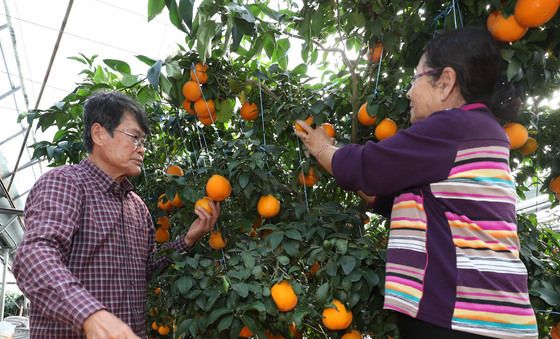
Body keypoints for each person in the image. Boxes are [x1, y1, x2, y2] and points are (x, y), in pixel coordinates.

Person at [295, 27, 538, 339]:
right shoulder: (473, 132)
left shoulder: (454, 127)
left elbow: (365, 167)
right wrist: (343, 165)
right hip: (478, 318)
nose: (409, 92)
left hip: (463, 319)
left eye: (416, 77)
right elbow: (384, 194)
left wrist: (319, 147)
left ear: (445, 83)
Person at [13, 91, 220, 338]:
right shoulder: (66, 184)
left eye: (143, 141)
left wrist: (189, 239)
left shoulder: (136, 207)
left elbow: (143, 270)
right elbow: (33, 257)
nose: (141, 149)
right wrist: (89, 315)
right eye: (135, 137)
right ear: (99, 133)